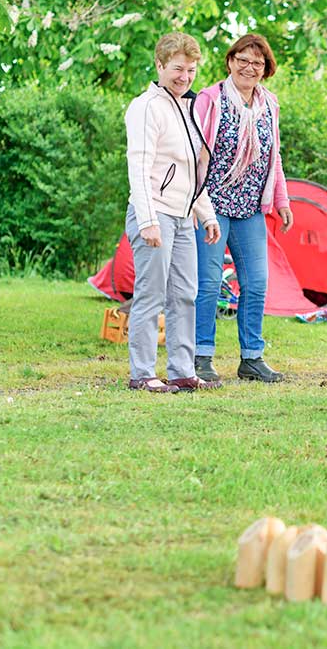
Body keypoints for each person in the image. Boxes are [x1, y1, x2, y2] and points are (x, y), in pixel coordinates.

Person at [192, 34, 293, 383]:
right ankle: (200, 356)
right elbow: (196, 154)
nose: (249, 67)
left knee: (256, 284)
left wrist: (281, 200)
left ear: (265, 70)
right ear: (230, 61)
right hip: (212, 205)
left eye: (258, 63)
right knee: (207, 284)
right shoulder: (210, 99)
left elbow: (273, 156)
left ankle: (252, 358)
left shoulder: (270, 104)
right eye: (243, 60)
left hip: (251, 207)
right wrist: (194, 201)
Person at [124, 32, 222, 393]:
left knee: (185, 294)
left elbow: (192, 171)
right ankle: (143, 374)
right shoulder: (146, 107)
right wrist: (148, 220)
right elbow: (140, 166)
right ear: (160, 66)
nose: (185, 77)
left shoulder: (189, 107)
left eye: (192, 70)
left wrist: (207, 214)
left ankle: (182, 370)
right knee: (151, 294)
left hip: (184, 216)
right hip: (154, 214)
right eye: (178, 69)